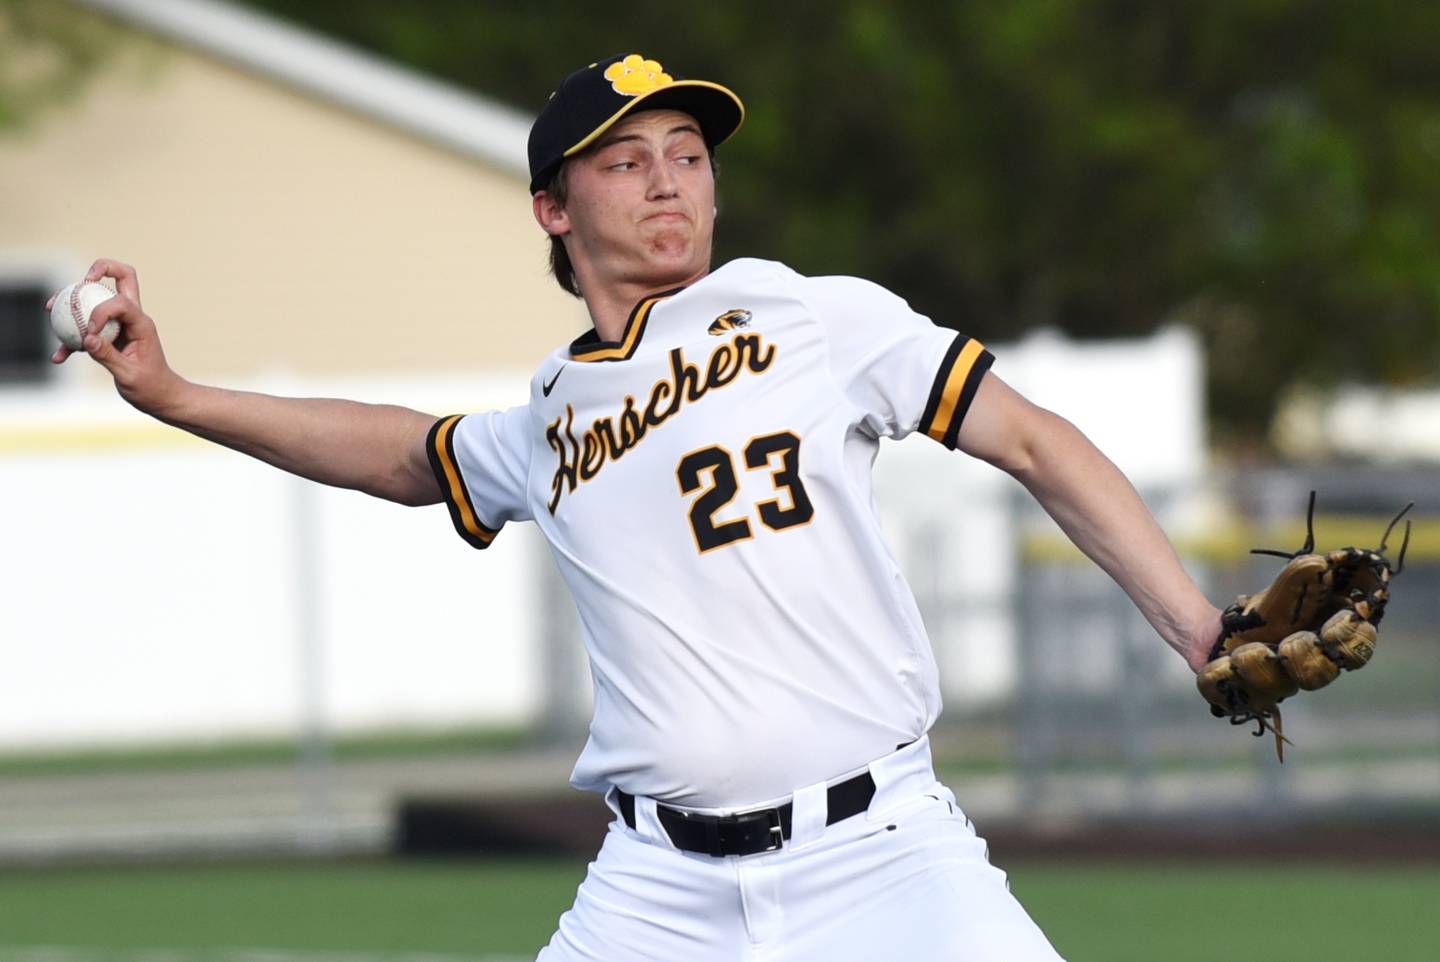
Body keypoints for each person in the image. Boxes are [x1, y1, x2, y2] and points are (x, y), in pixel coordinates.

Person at [55, 52, 1220, 962]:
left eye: (688, 153)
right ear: (552, 211)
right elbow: (404, 453)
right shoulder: (551, 415)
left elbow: (1030, 437)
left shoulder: (806, 314)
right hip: (656, 890)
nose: (669, 177)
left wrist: (1196, 626)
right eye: (624, 160)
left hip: (883, 852)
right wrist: (171, 392)